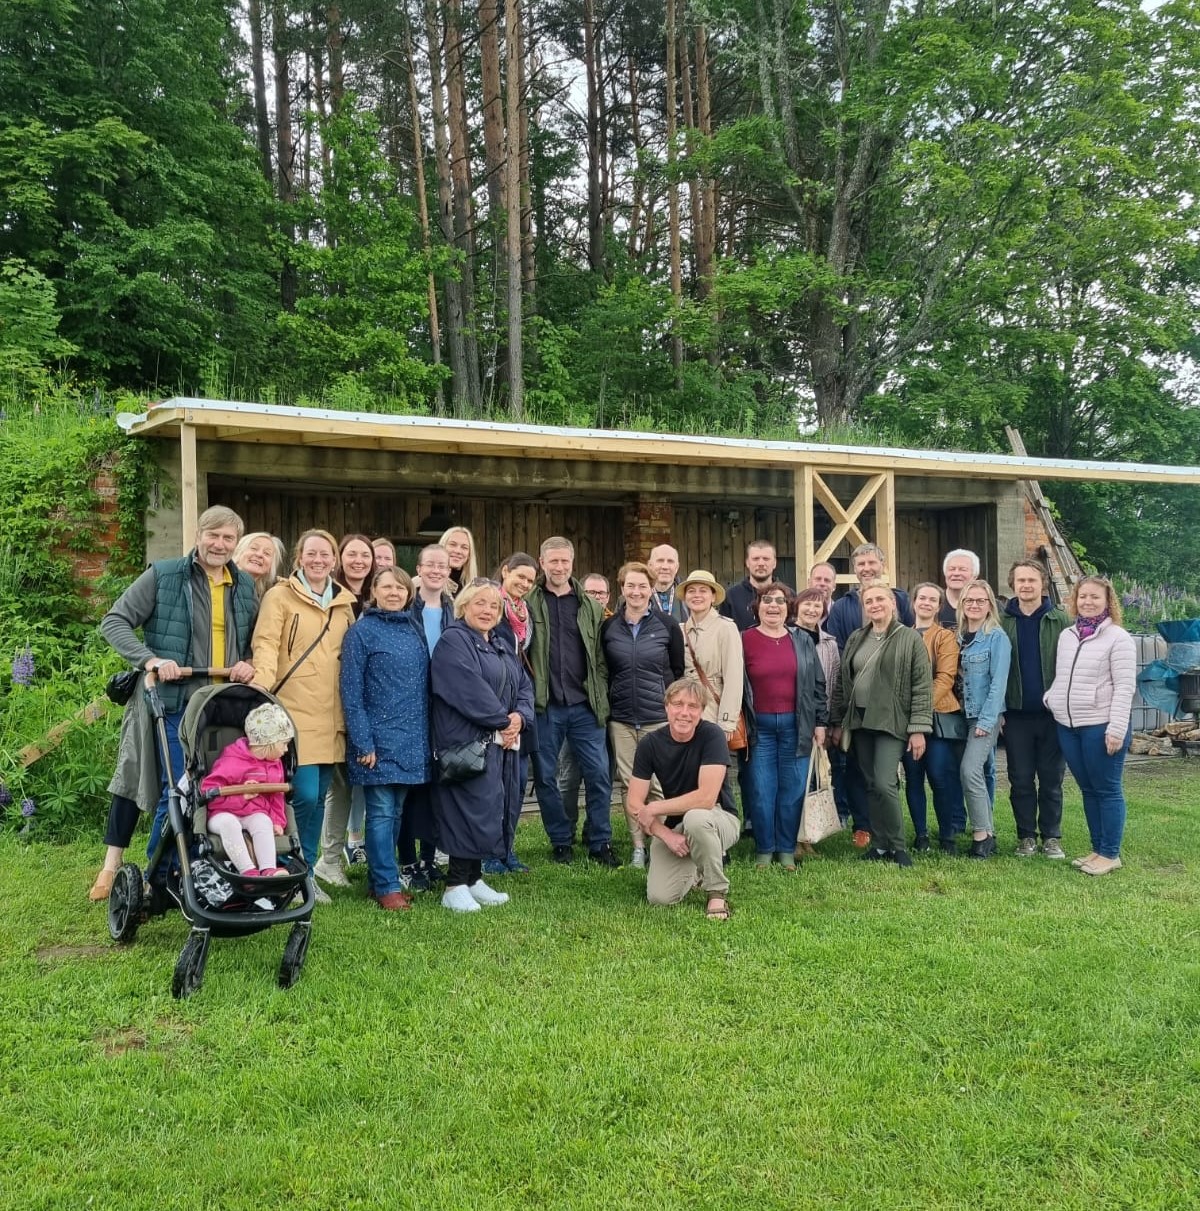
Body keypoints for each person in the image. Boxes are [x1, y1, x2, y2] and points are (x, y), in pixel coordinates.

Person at [88, 506, 258, 900]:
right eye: (213, 535)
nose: (219, 544)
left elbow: (251, 640)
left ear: (236, 543)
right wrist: (150, 659)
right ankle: (161, 879)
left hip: (222, 706)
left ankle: (196, 871)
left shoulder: (245, 585)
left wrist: (248, 662)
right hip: (175, 701)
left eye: (228, 538)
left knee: (214, 791)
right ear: (198, 536)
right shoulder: (164, 576)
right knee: (180, 789)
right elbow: (114, 621)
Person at [251, 529, 356, 900]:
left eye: (325, 554)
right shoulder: (279, 596)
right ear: (299, 558)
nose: (318, 560)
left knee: (321, 795)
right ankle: (286, 867)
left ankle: (305, 874)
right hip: (294, 709)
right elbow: (266, 643)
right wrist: (260, 687)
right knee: (305, 795)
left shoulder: (344, 604)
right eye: (311, 553)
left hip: (332, 714)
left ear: (334, 561)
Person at [430, 578, 535, 912]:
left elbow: (524, 685)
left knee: (488, 809)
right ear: (464, 606)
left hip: (497, 744)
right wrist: (504, 722)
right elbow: (468, 690)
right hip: (467, 744)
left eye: (493, 605)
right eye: (480, 603)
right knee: (467, 811)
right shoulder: (453, 641)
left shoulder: (500, 643)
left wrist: (520, 716)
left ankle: (473, 879)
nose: (487, 611)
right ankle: (454, 885)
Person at [339, 568, 431, 911]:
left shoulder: (413, 628)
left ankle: (381, 880)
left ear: (409, 593)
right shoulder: (361, 632)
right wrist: (363, 741)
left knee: (396, 813)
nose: (394, 593)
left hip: (411, 738)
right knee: (380, 813)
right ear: (374, 591)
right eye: (387, 587)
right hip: (376, 740)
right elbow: (351, 692)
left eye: (400, 588)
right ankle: (386, 886)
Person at [526, 536, 619, 866]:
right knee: (546, 777)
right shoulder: (529, 602)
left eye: (565, 561)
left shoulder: (589, 606)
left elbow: (600, 657)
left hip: (584, 706)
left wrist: (599, 691)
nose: (559, 567)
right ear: (542, 562)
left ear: (572, 562)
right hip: (546, 705)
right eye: (553, 561)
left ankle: (599, 841)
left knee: (599, 775)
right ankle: (561, 840)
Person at [830, 578, 931, 866]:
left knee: (885, 782)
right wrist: (838, 720)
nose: (875, 605)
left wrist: (918, 729)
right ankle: (879, 845)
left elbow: (922, 685)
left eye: (880, 599)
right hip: (860, 721)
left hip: (892, 721)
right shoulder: (856, 638)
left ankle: (898, 847)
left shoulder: (909, 638)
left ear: (892, 603)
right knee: (871, 783)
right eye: (869, 601)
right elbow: (843, 681)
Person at [1043, 576, 1136, 876]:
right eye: (1083, 596)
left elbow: (1125, 687)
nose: (1088, 602)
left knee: (1107, 789)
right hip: (1068, 726)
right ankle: (1097, 849)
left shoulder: (1118, 638)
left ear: (1108, 601)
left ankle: (1110, 853)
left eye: (1095, 597)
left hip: (1101, 725)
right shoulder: (1067, 636)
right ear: (1075, 600)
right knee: (1088, 789)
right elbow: (1062, 676)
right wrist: (1052, 699)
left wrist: (1116, 728)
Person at [629, 678, 739, 920]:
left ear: (701, 711)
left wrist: (655, 807)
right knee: (659, 898)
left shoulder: (712, 735)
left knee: (696, 819)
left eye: (693, 706)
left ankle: (716, 893)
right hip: (676, 826)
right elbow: (634, 802)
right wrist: (665, 834)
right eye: (678, 704)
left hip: (719, 818)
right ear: (666, 707)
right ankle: (698, 864)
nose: (685, 713)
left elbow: (706, 798)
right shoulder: (650, 744)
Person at [601, 561, 686, 867]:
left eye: (642, 586)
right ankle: (638, 846)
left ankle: (658, 843)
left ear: (651, 589)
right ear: (622, 589)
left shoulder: (667, 625)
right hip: (622, 718)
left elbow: (677, 669)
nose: (636, 592)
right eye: (630, 586)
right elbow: (605, 669)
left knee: (659, 784)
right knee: (630, 784)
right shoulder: (610, 627)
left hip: (658, 718)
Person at [742, 582, 827, 868]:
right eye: (767, 600)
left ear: (788, 608)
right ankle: (765, 849)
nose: (773, 606)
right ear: (758, 606)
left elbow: (817, 684)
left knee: (792, 790)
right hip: (759, 729)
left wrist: (820, 723)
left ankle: (787, 849)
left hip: (797, 726)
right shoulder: (744, 639)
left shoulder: (802, 639)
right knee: (761, 790)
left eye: (780, 601)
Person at [313, 533, 376, 886]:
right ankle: (326, 858)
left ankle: (332, 859)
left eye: (365, 555)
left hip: (368, 701)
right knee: (328, 783)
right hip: (329, 698)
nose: (358, 561)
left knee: (346, 785)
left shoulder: (377, 596)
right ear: (340, 558)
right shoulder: (330, 595)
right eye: (352, 554)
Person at [1000, 560, 1069, 858]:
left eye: (1032, 580)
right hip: (1016, 715)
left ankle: (1051, 837)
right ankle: (1026, 836)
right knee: (1020, 779)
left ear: (1043, 584)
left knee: (1052, 779)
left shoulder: (1061, 620)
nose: (1026, 585)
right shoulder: (1001, 621)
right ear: (1012, 585)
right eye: (1020, 580)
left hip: (1053, 716)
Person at [400, 544, 457, 889]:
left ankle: (429, 858)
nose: (436, 571)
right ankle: (407, 862)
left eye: (442, 566)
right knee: (412, 789)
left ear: (449, 572)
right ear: (419, 569)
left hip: (443, 706)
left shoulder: (453, 609)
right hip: (410, 706)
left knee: (438, 785)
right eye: (430, 565)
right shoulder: (406, 607)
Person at [486, 551, 540, 874]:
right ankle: (489, 853)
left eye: (530, 580)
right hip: (495, 704)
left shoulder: (525, 611)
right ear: (505, 571)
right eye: (520, 576)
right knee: (494, 786)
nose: (525, 583)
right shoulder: (491, 605)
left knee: (517, 783)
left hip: (520, 699)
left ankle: (508, 849)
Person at [200, 702, 294, 877]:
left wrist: (277, 821)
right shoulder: (232, 760)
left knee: (263, 821)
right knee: (230, 824)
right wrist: (241, 795)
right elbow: (209, 793)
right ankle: (248, 871)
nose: (286, 750)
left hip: (253, 813)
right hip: (222, 812)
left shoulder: (275, 765)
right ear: (269, 743)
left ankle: (268, 869)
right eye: (284, 744)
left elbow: (277, 797)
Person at [905, 582, 966, 853]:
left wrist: (919, 708)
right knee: (913, 777)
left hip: (939, 715)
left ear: (939, 606)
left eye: (932, 599)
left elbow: (945, 678)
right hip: (906, 721)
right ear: (913, 602)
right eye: (922, 598)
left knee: (940, 776)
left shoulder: (944, 637)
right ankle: (921, 835)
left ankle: (947, 835)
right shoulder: (902, 635)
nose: (926, 603)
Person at [956, 579, 1011, 859]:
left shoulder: (996, 638)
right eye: (969, 600)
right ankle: (988, 833)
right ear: (962, 604)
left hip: (983, 714)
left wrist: (987, 721)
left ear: (990, 605)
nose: (974, 605)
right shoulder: (958, 637)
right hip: (959, 715)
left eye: (980, 600)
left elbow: (998, 684)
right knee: (976, 771)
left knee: (970, 770)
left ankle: (981, 835)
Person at [791, 587, 840, 855]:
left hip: (818, 720)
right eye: (807, 605)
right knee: (795, 778)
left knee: (812, 778)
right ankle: (793, 837)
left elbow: (832, 683)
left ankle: (807, 835)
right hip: (794, 718)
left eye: (817, 606)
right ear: (797, 607)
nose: (812, 610)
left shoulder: (829, 643)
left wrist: (826, 722)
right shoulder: (787, 635)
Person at [825, 542, 915, 649]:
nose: (866, 568)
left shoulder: (902, 600)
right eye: (861, 564)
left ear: (882, 566)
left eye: (872, 563)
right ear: (855, 569)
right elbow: (836, 649)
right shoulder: (840, 607)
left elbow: (913, 638)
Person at [721, 540, 784, 632]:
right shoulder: (731, 596)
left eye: (766, 559)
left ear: (774, 563)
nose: (761, 563)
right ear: (747, 562)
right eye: (755, 559)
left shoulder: (787, 595)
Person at [234, 532, 286, 599]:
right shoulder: (223, 584)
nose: (259, 554)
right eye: (254, 548)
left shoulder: (265, 597)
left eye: (267, 553)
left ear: (271, 566)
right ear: (238, 552)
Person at [938, 549, 980, 627]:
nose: (956, 573)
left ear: (975, 576)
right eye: (952, 569)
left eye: (963, 569)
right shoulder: (932, 602)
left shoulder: (988, 605)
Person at [647, 543, 688, 622]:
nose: (665, 567)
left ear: (677, 567)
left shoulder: (688, 594)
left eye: (670, 561)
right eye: (660, 561)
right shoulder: (635, 595)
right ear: (650, 565)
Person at [438, 525, 479, 596]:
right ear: (442, 547)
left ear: (469, 555)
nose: (458, 551)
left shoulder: (475, 589)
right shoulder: (426, 582)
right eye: (452, 544)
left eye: (464, 547)